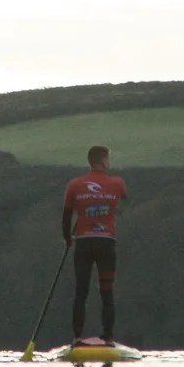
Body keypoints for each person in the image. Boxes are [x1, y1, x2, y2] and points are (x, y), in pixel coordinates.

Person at [61, 145, 129, 344]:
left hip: (83, 243)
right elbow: (124, 198)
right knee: (106, 292)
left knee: (80, 292)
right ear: (101, 161)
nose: (109, 163)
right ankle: (108, 338)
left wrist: (67, 239)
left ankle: (76, 338)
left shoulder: (75, 185)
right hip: (106, 243)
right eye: (108, 159)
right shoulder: (117, 183)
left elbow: (66, 217)